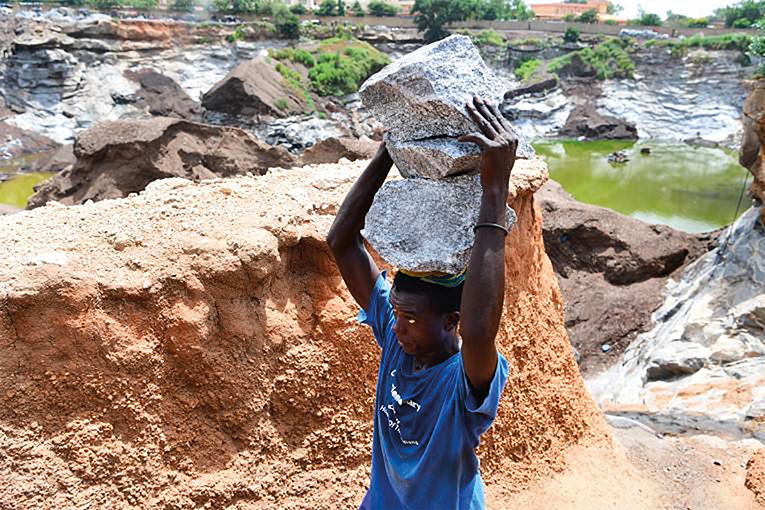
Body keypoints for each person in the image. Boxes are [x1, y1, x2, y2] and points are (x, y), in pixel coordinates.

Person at [326, 96, 517, 510]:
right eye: (395, 313)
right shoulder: (399, 340)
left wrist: (495, 188)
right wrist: (388, 152)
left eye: (410, 319)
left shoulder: (465, 381)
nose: (396, 328)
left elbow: (481, 330)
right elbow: (341, 241)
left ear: (453, 321)